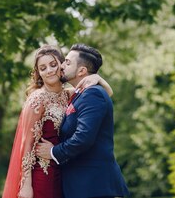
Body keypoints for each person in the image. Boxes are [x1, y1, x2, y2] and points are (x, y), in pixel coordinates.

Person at [2, 45, 113, 198]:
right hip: (42, 172)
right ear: (39, 74)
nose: (49, 70)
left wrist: (97, 78)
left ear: (61, 65)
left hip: (63, 172)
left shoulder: (68, 95)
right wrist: (25, 185)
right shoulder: (37, 100)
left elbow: (103, 95)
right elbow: (26, 145)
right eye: (43, 68)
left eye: (53, 65)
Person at [35, 43, 129, 198]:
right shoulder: (81, 93)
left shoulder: (92, 94)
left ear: (82, 70)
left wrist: (52, 152)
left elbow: (83, 138)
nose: (61, 65)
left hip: (94, 187)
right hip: (81, 187)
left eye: (67, 62)